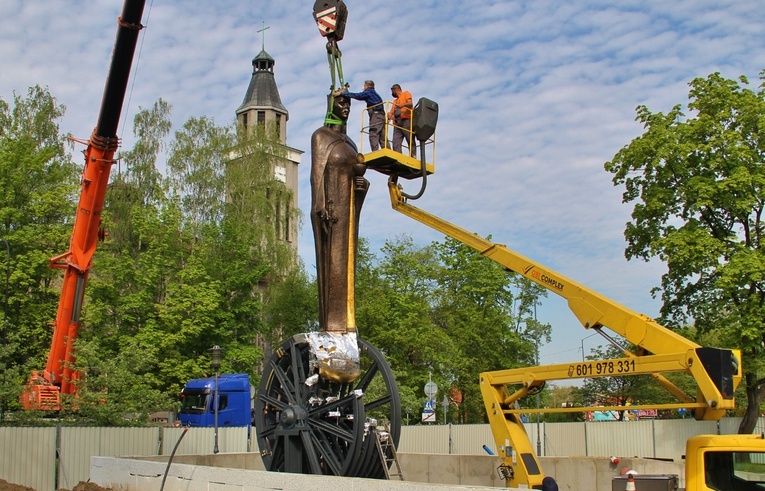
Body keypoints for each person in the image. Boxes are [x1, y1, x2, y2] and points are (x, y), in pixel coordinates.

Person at [310, 92, 369, 335]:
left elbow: (355, 181)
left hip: (348, 215)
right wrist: (319, 204)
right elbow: (317, 173)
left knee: (347, 265)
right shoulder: (321, 137)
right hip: (331, 213)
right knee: (333, 264)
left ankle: (347, 324)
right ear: (330, 103)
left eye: (349, 103)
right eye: (341, 102)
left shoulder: (351, 144)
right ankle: (332, 326)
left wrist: (361, 189)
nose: (346, 107)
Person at [334, 80, 385, 151]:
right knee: (382, 136)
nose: (363, 87)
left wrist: (341, 93)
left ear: (367, 86)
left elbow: (357, 96)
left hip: (376, 115)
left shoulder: (369, 92)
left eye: (364, 86)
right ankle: (387, 149)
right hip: (381, 116)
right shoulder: (374, 94)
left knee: (374, 132)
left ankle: (375, 151)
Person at [387, 83, 415, 157]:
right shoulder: (395, 101)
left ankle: (413, 156)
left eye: (392, 91)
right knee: (396, 142)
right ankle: (398, 156)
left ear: (395, 90)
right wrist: (389, 115)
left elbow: (410, 103)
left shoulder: (406, 93)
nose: (392, 93)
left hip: (406, 120)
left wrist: (403, 104)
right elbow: (391, 112)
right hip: (397, 123)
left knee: (410, 139)